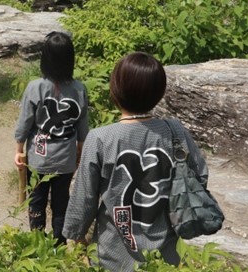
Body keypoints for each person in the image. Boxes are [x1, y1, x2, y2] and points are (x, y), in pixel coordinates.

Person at [63, 52, 210, 270]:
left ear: (115, 89)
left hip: (112, 254)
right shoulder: (175, 131)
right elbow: (200, 176)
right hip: (166, 256)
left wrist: (76, 236)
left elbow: (84, 197)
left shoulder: (101, 138)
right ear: (159, 93)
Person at [14, 32, 89, 245]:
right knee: (60, 202)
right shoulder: (79, 88)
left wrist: (19, 149)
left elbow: (24, 122)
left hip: (39, 156)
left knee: (36, 201)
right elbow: (83, 125)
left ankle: (37, 243)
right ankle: (59, 244)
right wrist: (80, 150)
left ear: (44, 59)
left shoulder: (35, 87)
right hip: (65, 158)